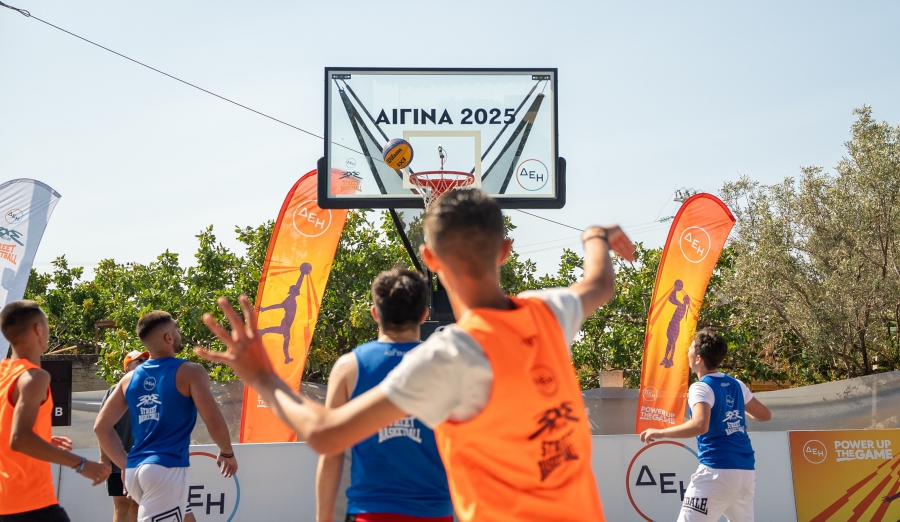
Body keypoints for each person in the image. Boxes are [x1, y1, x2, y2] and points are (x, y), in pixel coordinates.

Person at [197, 189, 636, 521]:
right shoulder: (548, 312)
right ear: (504, 251)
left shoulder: (454, 354)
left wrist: (263, 378)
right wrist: (595, 237)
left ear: (429, 258)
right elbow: (599, 284)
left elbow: (328, 436)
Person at [316, 267, 452, 522]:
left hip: (370, 512)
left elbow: (330, 451)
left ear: (375, 313)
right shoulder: (444, 366)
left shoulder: (348, 367)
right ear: (424, 315)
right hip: (435, 512)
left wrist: (323, 519)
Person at [94, 311, 238, 522]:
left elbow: (101, 427)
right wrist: (226, 452)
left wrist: (125, 465)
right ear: (168, 338)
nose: (179, 333)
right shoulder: (190, 371)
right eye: (176, 329)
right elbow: (213, 420)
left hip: (136, 469)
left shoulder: (129, 379)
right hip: (165, 468)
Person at [640, 329, 773, 522]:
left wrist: (659, 432)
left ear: (698, 359)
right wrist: (731, 409)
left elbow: (700, 425)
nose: (688, 351)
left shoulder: (701, 387)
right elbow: (764, 415)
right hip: (745, 472)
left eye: (691, 348)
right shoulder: (736, 385)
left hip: (716, 472)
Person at [0, 300, 110, 522]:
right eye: (47, 324)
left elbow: (8, 431)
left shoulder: (3, 373)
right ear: (38, 329)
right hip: (30, 503)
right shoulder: (35, 377)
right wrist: (81, 464)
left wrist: (43, 439)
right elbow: (20, 439)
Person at [99, 350, 149, 522]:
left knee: (137, 505)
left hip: (144, 460)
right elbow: (102, 428)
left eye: (146, 359)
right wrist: (105, 459)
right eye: (139, 360)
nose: (144, 362)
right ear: (127, 368)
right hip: (118, 459)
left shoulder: (155, 390)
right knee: (122, 506)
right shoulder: (115, 391)